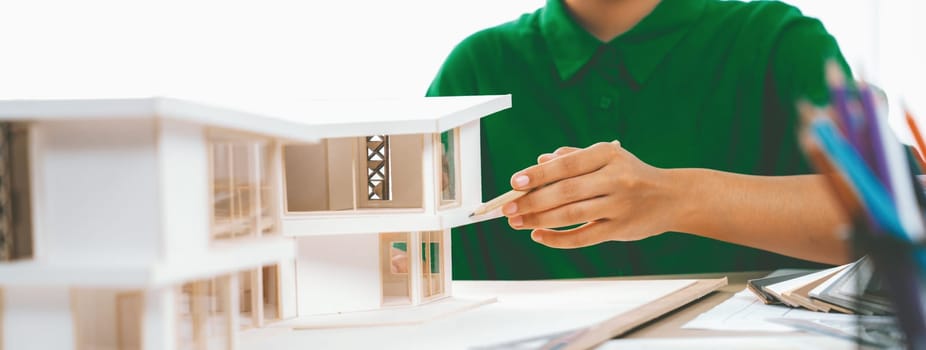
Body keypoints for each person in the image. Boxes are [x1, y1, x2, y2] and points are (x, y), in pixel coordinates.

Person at [426, 0, 853, 280]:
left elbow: (882, 224)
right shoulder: (474, 70)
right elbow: (412, 251)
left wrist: (675, 197)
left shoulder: (780, 43)